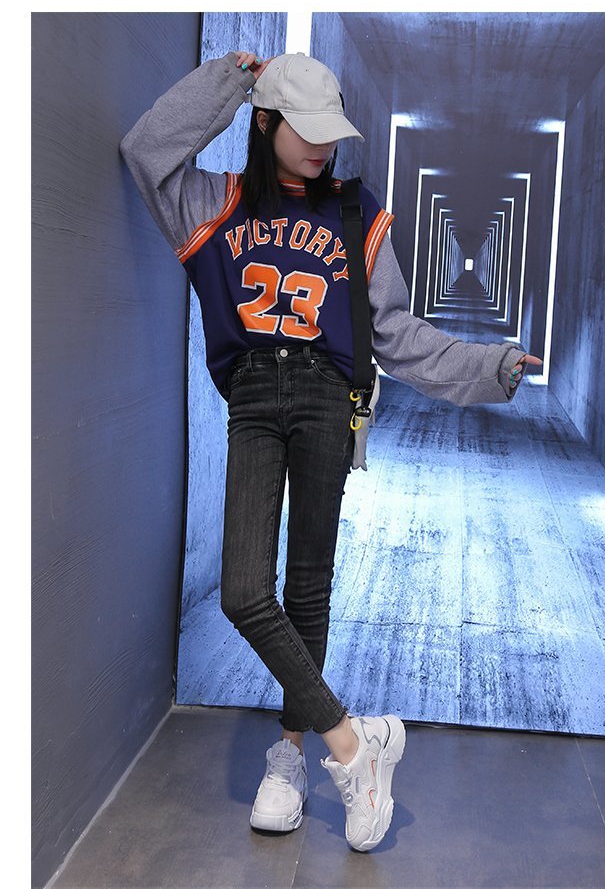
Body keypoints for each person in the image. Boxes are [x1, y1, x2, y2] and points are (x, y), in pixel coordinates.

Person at [120, 49, 541, 853]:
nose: (322, 145)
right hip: (252, 400)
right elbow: (146, 151)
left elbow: (398, 336)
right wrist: (228, 82)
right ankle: (355, 743)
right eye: (304, 128)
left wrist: (490, 366)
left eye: (330, 130)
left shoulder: (356, 213)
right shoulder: (215, 204)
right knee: (246, 591)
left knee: (308, 587)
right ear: (266, 124)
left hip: (326, 400)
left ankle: (289, 758)